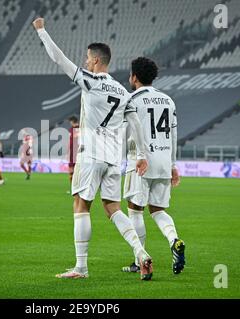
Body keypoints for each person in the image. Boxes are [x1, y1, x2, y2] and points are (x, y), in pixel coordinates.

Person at [33, 18, 153, 280]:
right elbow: (136, 125)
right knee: (113, 207)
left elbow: (59, 58)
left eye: (88, 58)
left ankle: (81, 267)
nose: (86, 62)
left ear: (97, 61)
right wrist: (142, 155)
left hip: (91, 153)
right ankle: (140, 252)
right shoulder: (123, 92)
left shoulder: (90, 80)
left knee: (81, 205)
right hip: (114, 158)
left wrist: (42, 31)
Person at [122, 57, 185, 275]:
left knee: (135, 209)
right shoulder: (168, 100)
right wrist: (173, 165)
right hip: (164, 161)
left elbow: (125, 133)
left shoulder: (132, 100)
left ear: (135, 77)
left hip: (141, 161)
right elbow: (174, 135)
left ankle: (140, 259)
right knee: (158, 209)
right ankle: (174, 240)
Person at [67, 116, 80, 183]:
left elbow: (70, 142)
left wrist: (68, 151)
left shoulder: (72, 129)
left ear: (72, 121)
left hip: (73, 151)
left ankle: (73, 185)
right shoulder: (82, 128)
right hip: (81, 151)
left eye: (70, 122)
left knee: (71, 168)